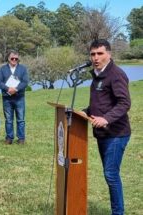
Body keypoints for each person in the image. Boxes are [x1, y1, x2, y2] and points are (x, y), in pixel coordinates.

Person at [83, 39, 131, 215]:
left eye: (100, 53)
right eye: (93, 54)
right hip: (103, 134)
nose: (96, 57)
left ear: (109, 54)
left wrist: (106, 119)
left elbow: (124, 103)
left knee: (111, 174)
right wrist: (82, 112)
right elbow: (100, 104)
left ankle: (118, 213)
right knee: (109, 174)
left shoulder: (116, 74)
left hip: (117, 133)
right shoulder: (97, 75)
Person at [0, 50, 29, 144]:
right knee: (8, 119)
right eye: (12, 58)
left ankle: (21, 138)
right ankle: (9, 138)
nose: (14, 60)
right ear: (8, 59)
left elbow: (25, 82)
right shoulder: (3, 69)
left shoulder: (23, 69)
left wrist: (16, 89)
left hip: (19, 97)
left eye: (16, 58)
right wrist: (8, 89)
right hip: (7, 98)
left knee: (21, 119)